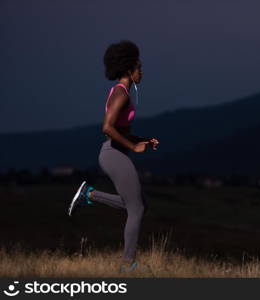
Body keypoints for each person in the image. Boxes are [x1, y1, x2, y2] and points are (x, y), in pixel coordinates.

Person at [67, 40, 159, 273]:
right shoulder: (121, 93)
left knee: (139, 206)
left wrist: (143, 141)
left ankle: (89, 194)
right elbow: (107, 127)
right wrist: (133, 146)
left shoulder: (122, 91)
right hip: (112, 154)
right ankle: (127, 265)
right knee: (136, 209)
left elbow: (122, 130)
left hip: (115, 152)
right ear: (129, 69)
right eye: (139, 68)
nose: (142, 72)